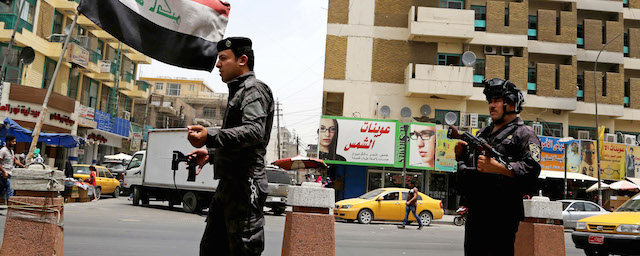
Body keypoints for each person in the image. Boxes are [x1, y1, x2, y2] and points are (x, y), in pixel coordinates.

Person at [186, 37, 274, 256]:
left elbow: (254, 132)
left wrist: (210, 136)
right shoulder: (239, 91)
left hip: (246, 184)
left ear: (242, 60)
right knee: (211, 248)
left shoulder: (254, 90)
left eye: (223, 59)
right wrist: (211, 154)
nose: (218, 65)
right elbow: (240, 142)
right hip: (230, 184)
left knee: (243, 249)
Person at [454, 78, 541, 255]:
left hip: (503, 215)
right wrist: (461, 156)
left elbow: (532, 168)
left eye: (497, 101)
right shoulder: (483, 133)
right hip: (477, 213)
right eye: (490, 101)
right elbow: (472, 171)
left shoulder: (524, 134)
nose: (492, 106)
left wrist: (499, 168)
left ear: (511, 104)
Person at [0, 135, 25, 204]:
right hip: (4, 174)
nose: (14, 143)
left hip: (10, 173)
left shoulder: (11, 151)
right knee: (10, 190)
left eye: (15, 141)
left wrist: (23, 166)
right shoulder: (3, 151)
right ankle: (10, 207)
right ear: (8, 142)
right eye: (13, 141)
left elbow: (15, 161)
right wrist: (4, 172)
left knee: (2, 190)